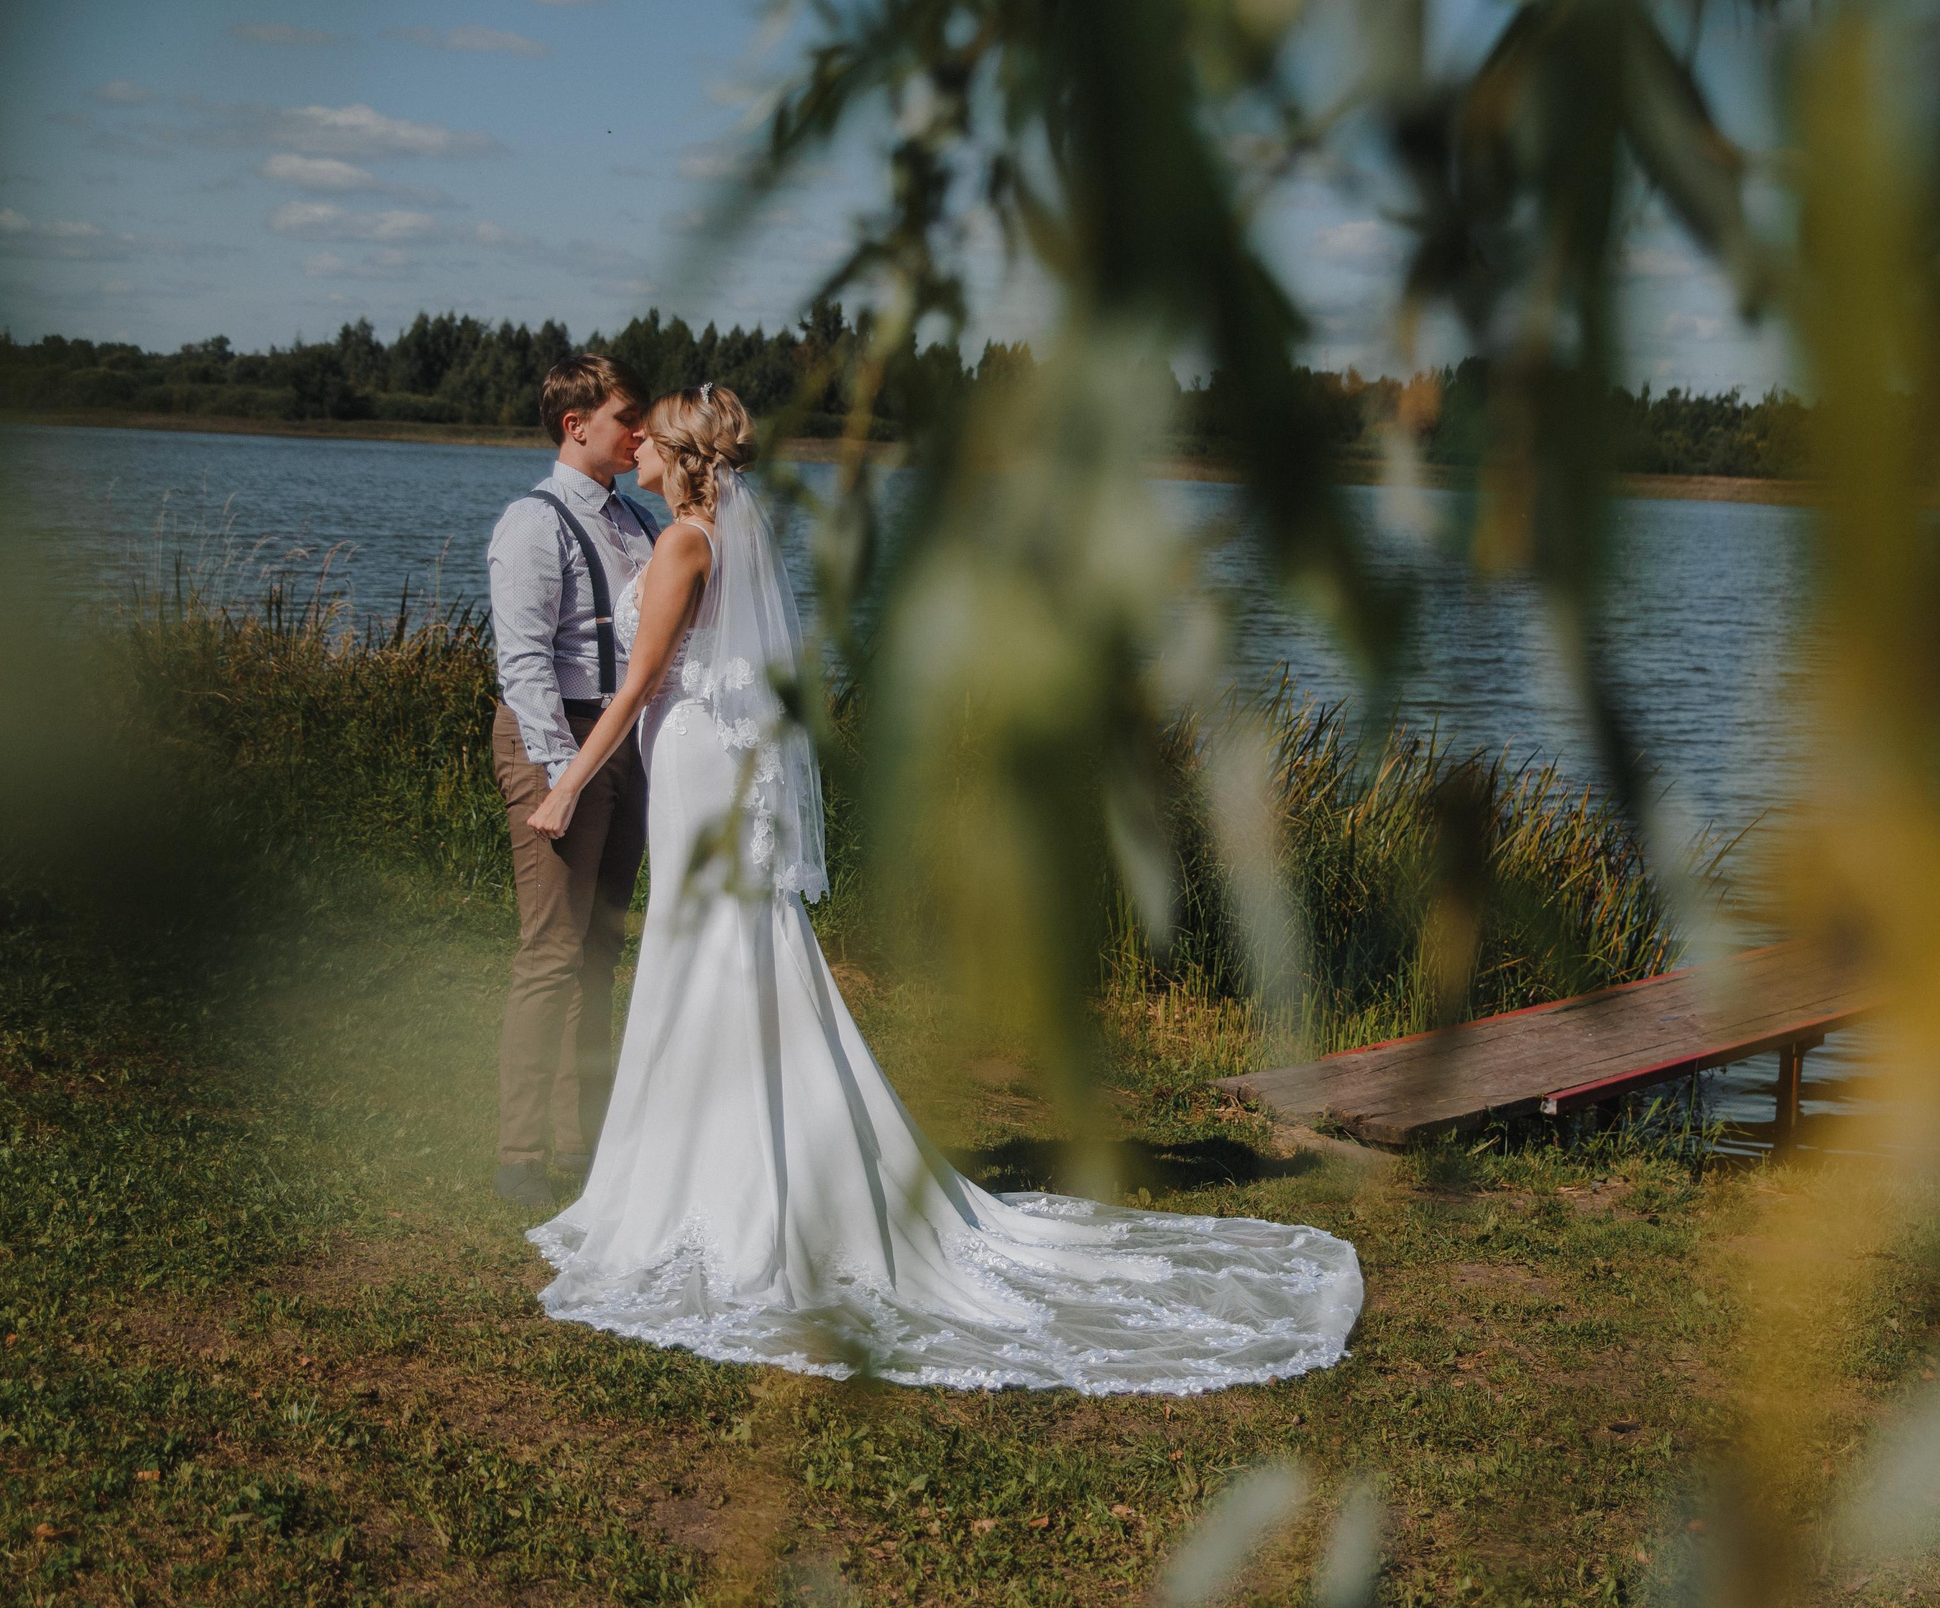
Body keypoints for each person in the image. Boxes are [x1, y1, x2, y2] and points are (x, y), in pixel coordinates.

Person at [521, 384, 1362, 1393]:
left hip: (695, 759)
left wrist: (566, 783)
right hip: (712, 758)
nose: (641, 451)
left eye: (652, 440)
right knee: (724, 951)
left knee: (704, 949)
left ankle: (707, 1184)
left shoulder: (680, 546)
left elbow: (641, 681)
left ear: (678, 454)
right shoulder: (720, 535)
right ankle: (728, 1158)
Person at [484, 354, 661, 1213]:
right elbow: (523, 663)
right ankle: (520, 1155)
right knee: (552, 950)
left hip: (621, 742)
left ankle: (586, 1139)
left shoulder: (636, 519)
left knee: (601, 950)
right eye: (628, 417)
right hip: (558, 739)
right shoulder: (535, 522)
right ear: (576, 424)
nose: (641, 433)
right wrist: (563, 777)